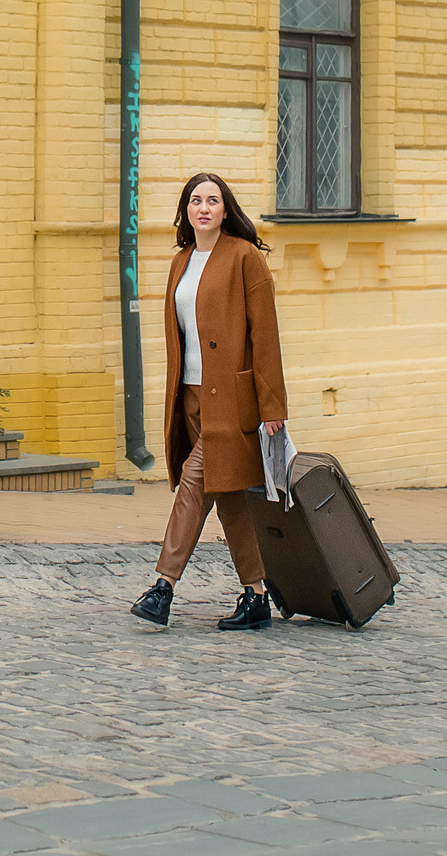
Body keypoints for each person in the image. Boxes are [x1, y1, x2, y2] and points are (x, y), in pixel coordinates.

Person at [130, 171, 289, 632]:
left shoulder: (245, 259)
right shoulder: (181, 262)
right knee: (230, 496)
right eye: (195, 200)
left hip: (232, 401)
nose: (204, 208)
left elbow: (266, 336)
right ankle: (256, 595)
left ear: (226, 209)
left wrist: (272, 406)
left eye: (213, 201)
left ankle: (163, 587)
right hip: (192, 399)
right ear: (186, 211)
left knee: (194, 485)